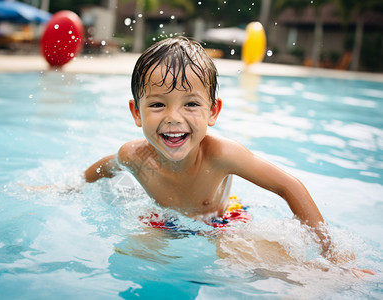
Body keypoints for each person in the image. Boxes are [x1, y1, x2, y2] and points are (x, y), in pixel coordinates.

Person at [83, 36, 371, 273]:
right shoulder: (134, 156)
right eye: (158, 104)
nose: (173, 118)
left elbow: (288, 185)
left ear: (213, 111)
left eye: (191, 104)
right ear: (136, 113)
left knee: (251, 261)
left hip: (223, 224)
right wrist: (73, 186)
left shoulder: (222, 154)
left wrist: (335, 255)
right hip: (164, 223)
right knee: (126, 258)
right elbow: (104, 168)